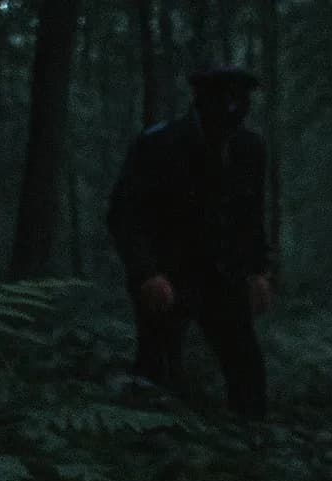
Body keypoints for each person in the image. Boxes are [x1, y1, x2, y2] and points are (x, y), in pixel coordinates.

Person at [108, 65, 273, 419]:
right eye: (227, 101)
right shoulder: (158, 144)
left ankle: (251, 443)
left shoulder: (249, 148)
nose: (235, 111)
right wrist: (146, 273)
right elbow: (126, 214)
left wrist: (259, 271)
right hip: (167, 274)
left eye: (241, 101)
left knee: (245, 366)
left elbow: (251, 215)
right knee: (158, 370)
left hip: (223, 273)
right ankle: (153, 443)